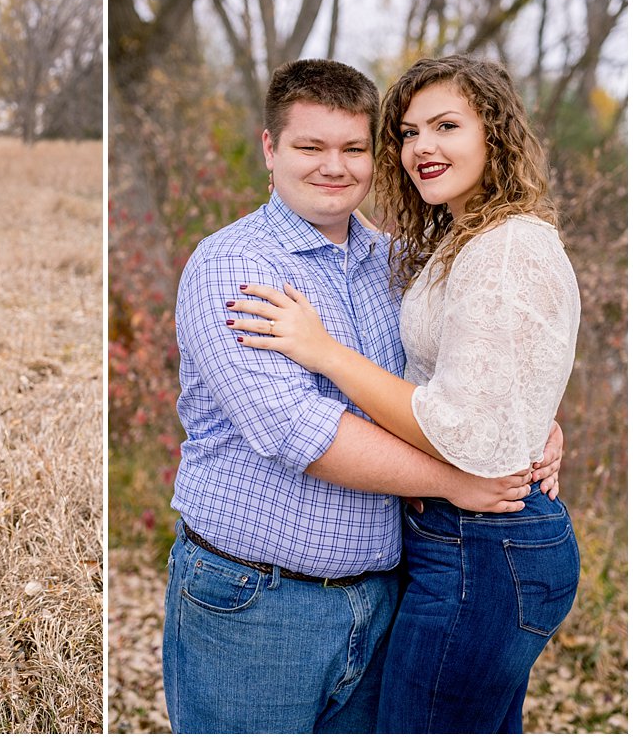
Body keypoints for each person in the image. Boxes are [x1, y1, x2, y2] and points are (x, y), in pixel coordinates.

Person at [164, 59, 563, 735]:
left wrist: (535, 423)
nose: (335, 167)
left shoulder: (395, 261)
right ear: (270, 148)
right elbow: (297, 429)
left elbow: (469, 367)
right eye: (310, 147)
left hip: (385, 599)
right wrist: (455, 480)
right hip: (257, 602)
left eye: (353, 149)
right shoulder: (237, 266)